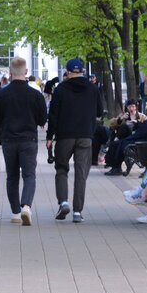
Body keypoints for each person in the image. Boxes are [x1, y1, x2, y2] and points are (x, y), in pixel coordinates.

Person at [0, 57, 48, 225]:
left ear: (10, 72)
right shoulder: (35, 95)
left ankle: (15, 212)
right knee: (29, 175)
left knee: (12, 176)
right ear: (26, 72)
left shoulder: (1, 94)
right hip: (29, 139)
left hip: (9, 138)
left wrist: (1, 130)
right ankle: (26, 206)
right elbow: (42, 119)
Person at [46, 58, 104, 222]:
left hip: (65, 136)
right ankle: (77, 212)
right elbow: (99, 111)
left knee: (61, 169)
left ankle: (63, 202)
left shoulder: (61, 89)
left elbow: (53, 115)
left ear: (67, 71)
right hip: (85, 136)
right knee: (81, 173)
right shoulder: (93, 89)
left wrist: (50, 137)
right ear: (83, 72)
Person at [104, 103, 147, 174]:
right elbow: (144, 130)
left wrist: (130, 135)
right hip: (146, 142)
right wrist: (137, 124)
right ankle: (115, 167)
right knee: (117, 142)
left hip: (141, 144)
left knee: (116, 144)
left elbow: (139, 133)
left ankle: (116, 168)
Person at [103, 99, 147, 175]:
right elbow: (110, 124)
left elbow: (146, 127)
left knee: (123, 129)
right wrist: (121, 119)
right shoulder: (124, 115)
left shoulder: (141, 116)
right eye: (129, 107)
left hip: (134, 139)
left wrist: (138, 123)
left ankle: (115, 140)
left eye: (133, 106)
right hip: (124, 138)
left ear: (136, 107)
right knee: (114, 144)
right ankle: (115, 168)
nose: (131, 109)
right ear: (127, 107)